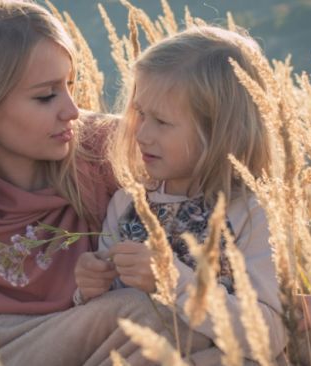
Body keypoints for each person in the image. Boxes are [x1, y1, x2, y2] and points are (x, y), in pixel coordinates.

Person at [0, 1, 212, 365]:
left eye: (71, 86)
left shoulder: (100, 148)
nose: (72, 110)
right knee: (138, 316)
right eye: (46, 96)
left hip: (102, 337)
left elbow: (216, 172)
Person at [75, 25, 287, 363]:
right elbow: (110, 317)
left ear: (218, 131)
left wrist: (172, 280)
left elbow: (267, 335)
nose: (142, 133)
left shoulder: (249, 213)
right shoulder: (128, 205)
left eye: (161, 121)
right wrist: (88, 290)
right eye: (140, 113)